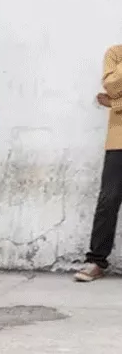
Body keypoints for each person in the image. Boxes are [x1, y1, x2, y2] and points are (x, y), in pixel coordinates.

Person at [74, 44, 122, 282]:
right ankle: (96, 260)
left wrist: (114, 104)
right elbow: (112, 86)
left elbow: (111, 96)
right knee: (108, 199)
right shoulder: (115, 54)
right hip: (118, 141)